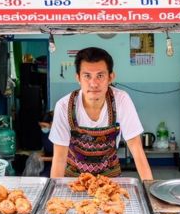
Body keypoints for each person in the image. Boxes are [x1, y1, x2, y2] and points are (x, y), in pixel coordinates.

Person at [49, 47, 153, 180]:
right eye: (87, 76)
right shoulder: (64, 106)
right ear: (78, 78)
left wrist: (150, 189)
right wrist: (55, 194)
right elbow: (59, 158)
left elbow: (137, 150)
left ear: (110, 77)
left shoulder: (121, 100)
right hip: (74, 181)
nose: (93, 83)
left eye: (100, 75)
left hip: (110, 180)